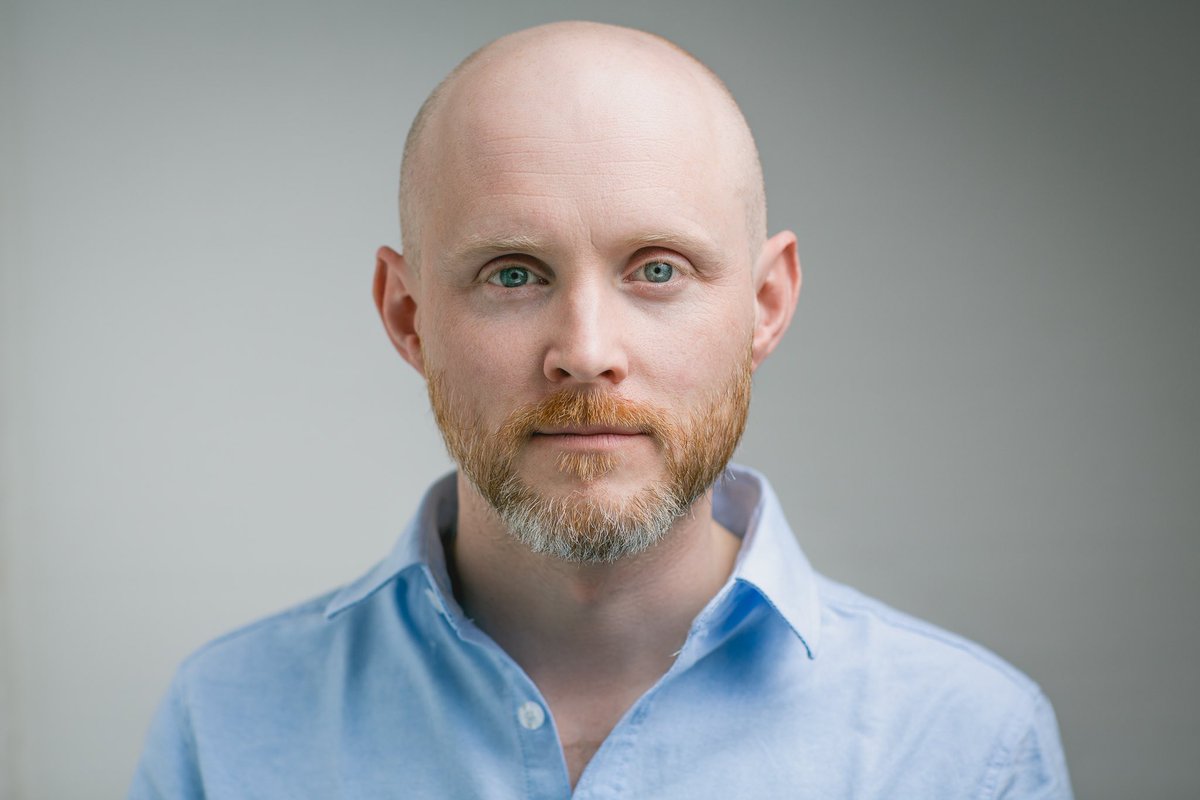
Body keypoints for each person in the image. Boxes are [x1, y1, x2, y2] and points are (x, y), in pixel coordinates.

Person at [130, 20, 1072, 799]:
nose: (584, 352)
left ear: (766, 304)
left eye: (657, 269)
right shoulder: (226, 723)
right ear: (408, 316)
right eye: (512, 273)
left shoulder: (967, 747)